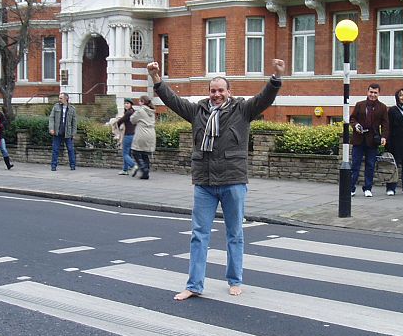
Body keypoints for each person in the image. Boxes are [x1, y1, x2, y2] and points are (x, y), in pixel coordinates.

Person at [147, 58, 286, 300]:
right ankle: (194, 285)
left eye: (221, 90)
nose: (216, 95)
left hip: (233, 180)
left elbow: (264, 99)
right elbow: (173, 101)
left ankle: (235, 280)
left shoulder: (242, 110)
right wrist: (156, 78)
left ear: (229, 92)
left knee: (235, 234)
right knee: (199, 235)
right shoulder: (197, 111)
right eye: (213, 91)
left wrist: (276, 77)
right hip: (204, 183)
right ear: (209, 92)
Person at [349, 83, 388, 197]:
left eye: (375, 93)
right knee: (355, 165)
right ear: (367, 92)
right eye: (371, 92)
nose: (373, 95)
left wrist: (384, 137)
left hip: (372, 140)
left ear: (379, 93)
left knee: (370, 165)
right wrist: (356, 125)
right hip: (358, 139)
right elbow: (352, 118)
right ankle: (351, 188)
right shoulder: (359, 105)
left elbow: (385, 124)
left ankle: (368, 188)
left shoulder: (382, 107)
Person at [49, 92, 77, 172]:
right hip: (57, 132)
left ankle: (72, 165)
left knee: (70, 149)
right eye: (59, 98)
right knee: (55, 149)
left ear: (66, 99)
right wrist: (51, 128)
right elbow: (51, 118)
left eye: (61, 98)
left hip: (68, 133)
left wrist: (73, 133)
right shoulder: (56, 107)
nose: (59, 99)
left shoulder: (72, 108)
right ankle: (53, 166)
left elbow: (74, 122)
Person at [130, 96, 156, 180]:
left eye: (139, 101)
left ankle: (143, 169)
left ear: (142, 102)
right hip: (151, 134)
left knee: (135, 151)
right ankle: (146, 171)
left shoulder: (140, 111)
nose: (138, 103)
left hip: (142, 133)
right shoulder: (152, 111)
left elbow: (132, 120)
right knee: (145, 153)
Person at [116, 98, 137, 175]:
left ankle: (133, 165)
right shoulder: (134, 112)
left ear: (131, 104)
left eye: (128, 103)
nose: (126, 105)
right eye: (125, 103)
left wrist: (117, 126)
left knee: (125, 154)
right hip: (133, 135)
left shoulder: (128, 113)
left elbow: (120, 121)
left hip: (128, 135)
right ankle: (125, 170)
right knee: (128, 153)